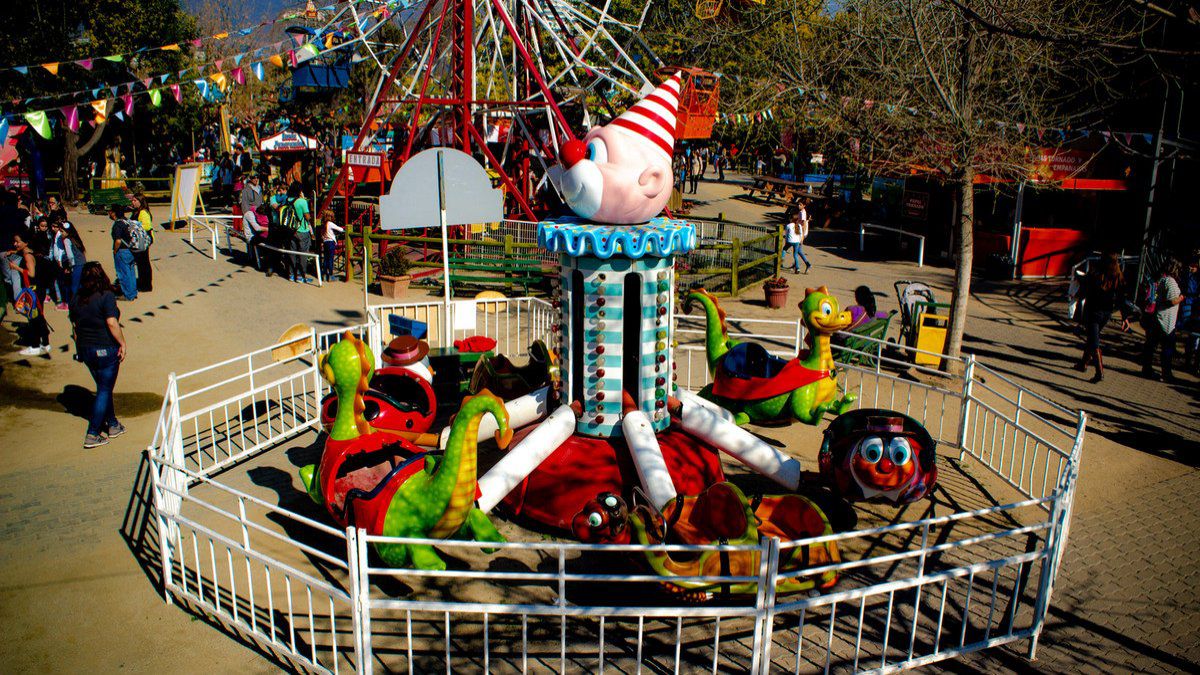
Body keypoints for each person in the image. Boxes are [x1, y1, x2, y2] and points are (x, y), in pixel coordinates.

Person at [69, 262, 128, 448]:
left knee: (104, 387)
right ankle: (93, 433)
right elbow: (111, 323)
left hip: (86, 349)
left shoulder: (76, 298)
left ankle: (113, 424)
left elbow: (75, 329)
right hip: (105, 349)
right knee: (103, 389)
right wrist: (122, 343)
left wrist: (79, 351)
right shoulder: (106, 296)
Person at [1073, 253, 1127, 383]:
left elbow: (1085, 285)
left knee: (1094, 341)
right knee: (1092, 337)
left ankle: (1099, 372)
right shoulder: (1118, 276)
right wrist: (1125, 317)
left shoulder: (1096, 274)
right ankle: (1083, 363)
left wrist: (1077, 278)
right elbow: (1121, 299)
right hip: (1106, 313)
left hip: (1093, 311)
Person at [8, 231, 52, 356]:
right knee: (39, 317)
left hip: (33, 291)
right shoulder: (30, 252)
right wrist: (13, 252)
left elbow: (31, 273)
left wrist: (16, 268)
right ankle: (45, 344)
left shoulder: (27, 256)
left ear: (26, 243)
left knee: (33, 319)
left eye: (17, 242)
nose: (15, 244)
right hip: (37, 290)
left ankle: (35, 346)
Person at [1140, 257, 1184, 382]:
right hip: (1166, 320)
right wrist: (1181, 298)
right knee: (1167, 349)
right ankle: (1166, 373)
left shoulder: (1163, 279)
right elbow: (1171, 301)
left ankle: (1147, 368)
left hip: (1159, 317)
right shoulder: (1170, 281)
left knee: (1152, 345)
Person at [49, 216, 86, 310]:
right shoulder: (75, 238)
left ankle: (73, 305)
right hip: (82, 263)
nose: (60, 233)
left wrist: (70, 267)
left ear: (67, 231)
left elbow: (70, 256)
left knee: (74, 286)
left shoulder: (66, 240)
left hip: (76, 264)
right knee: (80, 284)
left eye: (62, 231)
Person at [284, 183, 314, 283]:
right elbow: (307, 216)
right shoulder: (302, 201)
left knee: (292, 252)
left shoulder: (288, 200)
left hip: (291, 229)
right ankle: (301, 276)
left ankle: (291, 274)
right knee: (302, 253)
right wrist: (303, 199)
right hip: (302, 229)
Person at [109, 205, 138, 300]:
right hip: (131, 250)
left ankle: (128, 295)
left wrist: (115, 250)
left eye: (110, 211)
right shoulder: (127, 221)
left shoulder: (118, 224)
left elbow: (118, 240)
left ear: (114, 213)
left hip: (122, 251)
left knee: (123, 273)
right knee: (131, 272)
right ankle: (133, 292)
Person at [1179, 252, 1200, 374]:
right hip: (1188, 304)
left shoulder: (1196, 277)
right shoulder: (1188, 275)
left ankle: (1195, 364)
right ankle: (1188, 361)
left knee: (1195, 335)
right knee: (1189, 334)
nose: (1191, 267)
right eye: (1190, 265)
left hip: (1196, 306)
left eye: (1194, 266)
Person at [129, 195, 154, 293]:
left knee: (144, 262)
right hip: (139, 239)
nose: (133, 202)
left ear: (140, 201)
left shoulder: (143, 212)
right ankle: (142, 281)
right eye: (132, 200)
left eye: (135, 200)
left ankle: (146, 285)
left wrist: (134, 225)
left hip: (143, 239)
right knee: (140, 262)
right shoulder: (136, 211)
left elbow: (147, 226)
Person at [781, 205, 811, 273]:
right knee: (796, 254)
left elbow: (787, 234)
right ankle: (797, 267)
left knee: (786, 249)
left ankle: (782, 259)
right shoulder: (798, 225)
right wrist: (800, 239)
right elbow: (799, 233)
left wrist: (786, 239)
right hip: (797, 241)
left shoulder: (789, 225)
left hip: (791, 240)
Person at [320, 209, 344, 282]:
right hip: (331, 242)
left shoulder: (323, 224)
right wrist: (343, 230)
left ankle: (324, 275)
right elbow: (340, 229)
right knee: (330, 259)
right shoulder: (330, 223)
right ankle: (330, 275)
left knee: (326, 259)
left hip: (325, 242)